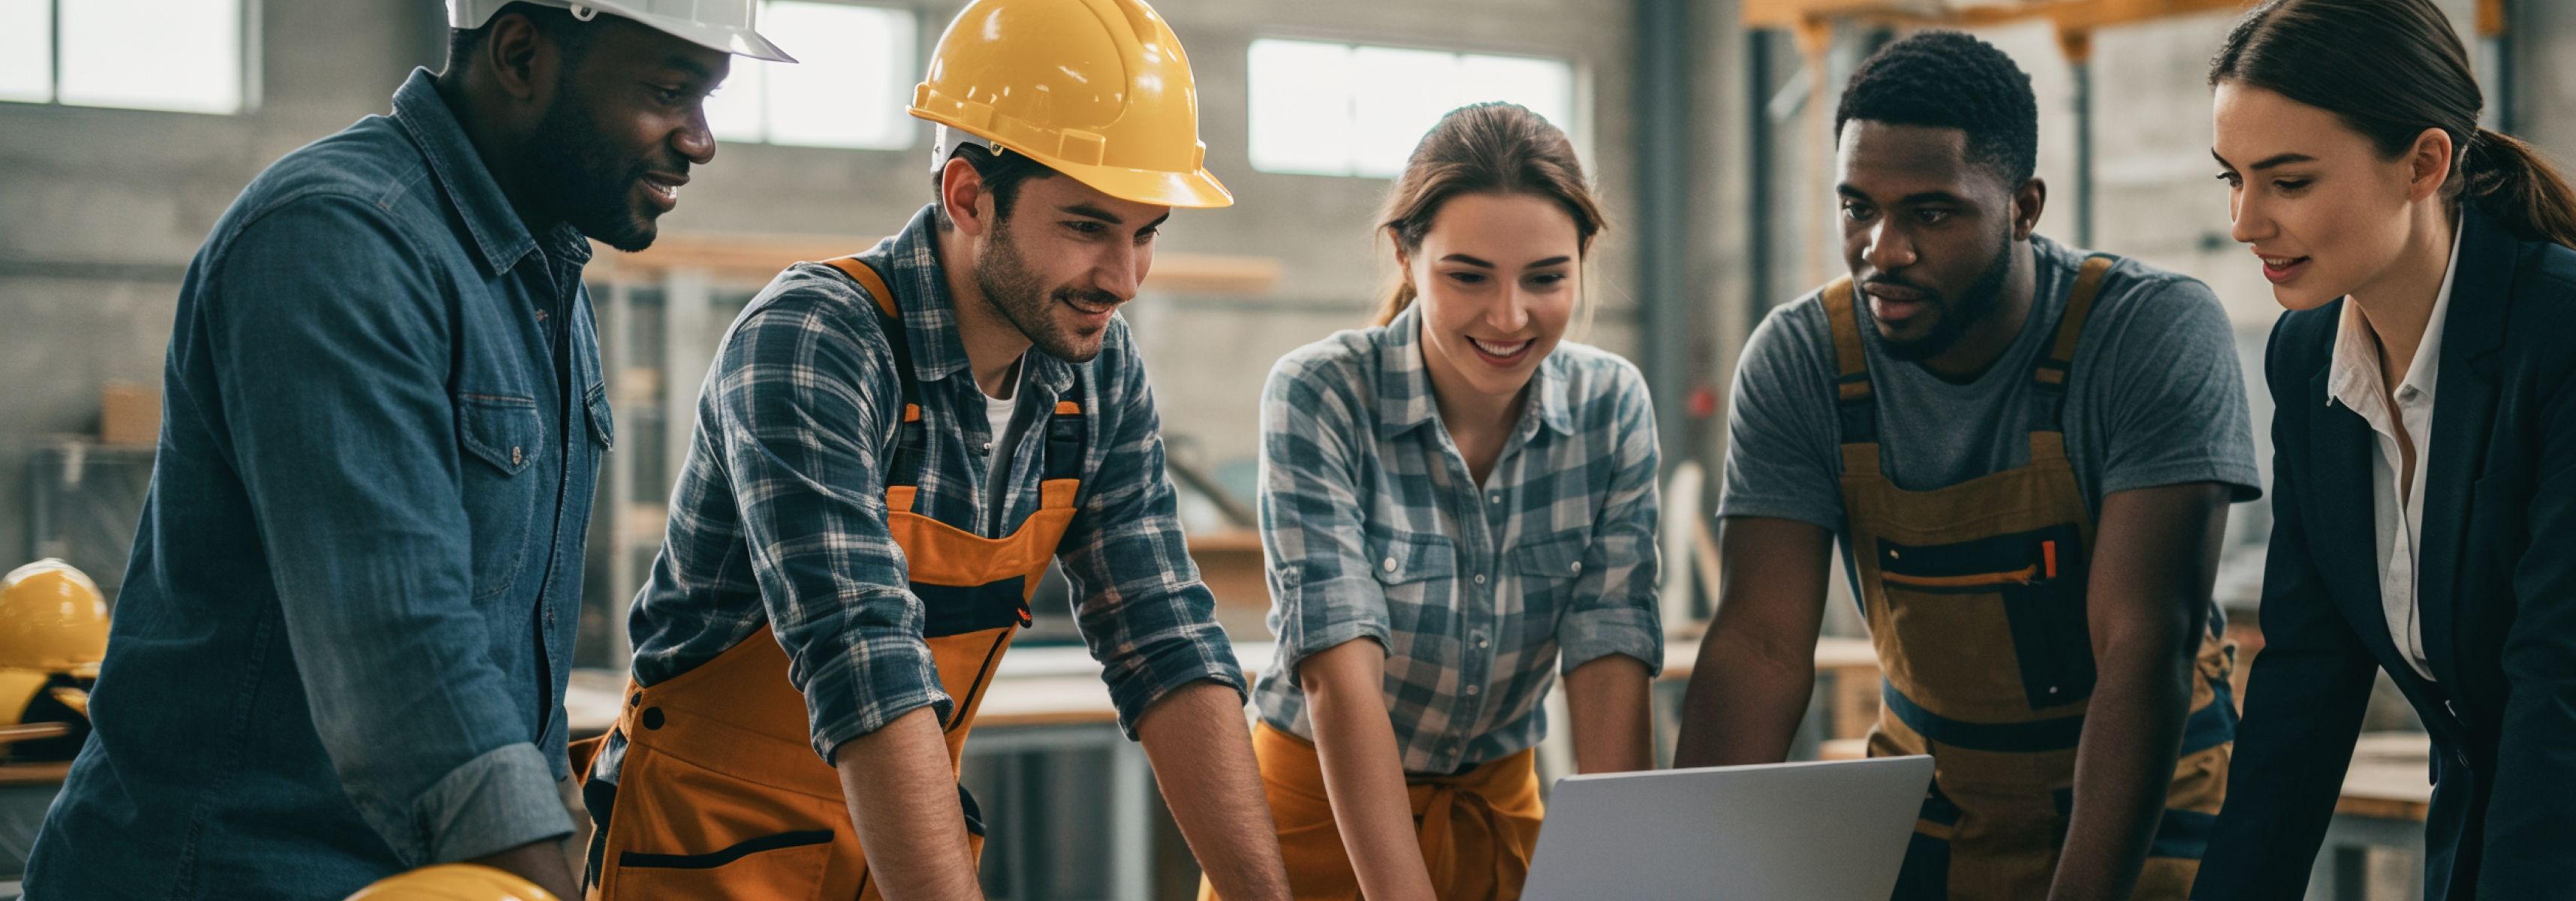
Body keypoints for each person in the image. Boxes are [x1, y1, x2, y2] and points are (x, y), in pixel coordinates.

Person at [23, 2, 787, 897]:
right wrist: (537, 880)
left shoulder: (543, 277)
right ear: (519, 55)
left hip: (432, 877)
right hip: (234, 873)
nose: (700, 140)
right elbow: (400, 654)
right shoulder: (337, 239)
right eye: (669, 92)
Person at [575, 1, 1292, 898]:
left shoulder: (1096, 374)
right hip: (703, 863)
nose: (1124, 278)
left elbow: (1167, 638)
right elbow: (862, 654)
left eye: (1146, 232)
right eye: (1086, 226)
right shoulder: (816, 341)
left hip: (891, 860)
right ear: (967, 196)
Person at [2190, 1, 2576, 897]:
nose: (2246, 221)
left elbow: (2568, 681)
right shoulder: (2306, 354)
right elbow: (2302, 683)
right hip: (2487, 849)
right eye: (2231, 180)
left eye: (2288, 182)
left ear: (2424, 163)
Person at [1677, 29, 2263, 901]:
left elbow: (2144, 650)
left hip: (2149, 804)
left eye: (1931, 212)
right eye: (1857, 207)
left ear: (2023, 208)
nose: (1883, 248)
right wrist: (1690, 877)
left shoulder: (2148, 333)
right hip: (1938, 801)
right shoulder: (1803, 357)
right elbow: (1760, 648)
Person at [1201, 103, 1661, 901]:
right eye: (1468, 275)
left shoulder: (1610, 406)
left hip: (1495, 819)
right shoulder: (1322, 393)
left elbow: (1610, 656)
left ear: (1585, 260)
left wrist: (1619, 875)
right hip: (1315, 826)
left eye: (1546, 278)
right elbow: (1338, 681)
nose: (1509, 316)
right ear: (1407, 256)